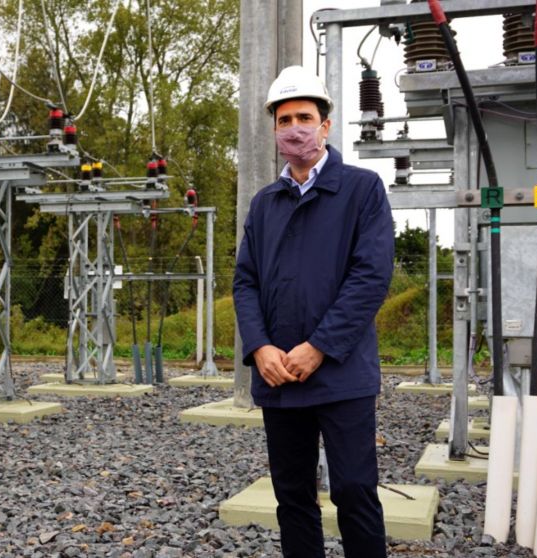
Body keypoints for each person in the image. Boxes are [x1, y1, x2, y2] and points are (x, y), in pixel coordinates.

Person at [233, 65, 395, 557]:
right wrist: (260, 347)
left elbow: (370, 278)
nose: (294, 128)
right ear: (275, 130)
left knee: (353, 490)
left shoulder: (362, 190)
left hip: (341, 374)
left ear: (326, 125)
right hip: (280, 376)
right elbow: (246, 282)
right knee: (293, 496)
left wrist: (319, 347)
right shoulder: (265, 204)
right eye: (284, 120)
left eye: (305, 116)